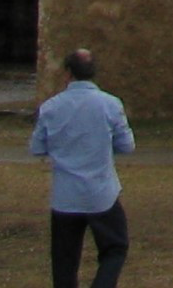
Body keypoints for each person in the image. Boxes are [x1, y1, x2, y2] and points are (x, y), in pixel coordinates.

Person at [30, 48, 135, 288]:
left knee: (64, 260)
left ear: (68, 73)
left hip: (66, 196)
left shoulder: (51, 107)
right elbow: (127, 145)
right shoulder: (110, 104)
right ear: (93, 73)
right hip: (101, 193)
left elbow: (37, 147)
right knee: (115, 248)